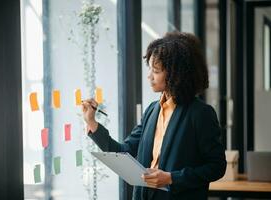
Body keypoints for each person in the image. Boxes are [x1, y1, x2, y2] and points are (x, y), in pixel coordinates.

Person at [81, 32, 226, 200]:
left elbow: (216, 167)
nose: (149, 76)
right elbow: (123, 152)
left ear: (175, 74)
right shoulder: (152, 110)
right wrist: (91, 122)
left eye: (156, 71)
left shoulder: (201, 113)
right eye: (150, 69)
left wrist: (172, 178)